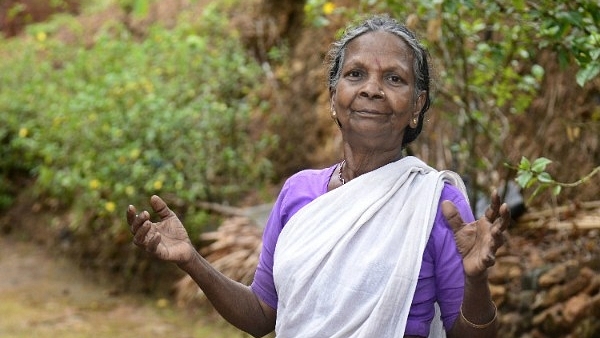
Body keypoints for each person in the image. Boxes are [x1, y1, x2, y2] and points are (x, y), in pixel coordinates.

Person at [127, 15, 510, 338]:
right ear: (333, 98)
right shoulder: (299, 191)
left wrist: (476, 280)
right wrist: (191, 259)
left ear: (416, 106)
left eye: (394, 79)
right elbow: (263, 314)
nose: (372, 90)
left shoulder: (435, 203)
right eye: (356, 74)